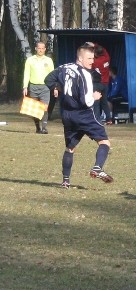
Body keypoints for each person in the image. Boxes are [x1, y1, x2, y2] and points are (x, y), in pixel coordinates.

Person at [44, 43, 114, 188]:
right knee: (104, 143)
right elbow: (86, 101)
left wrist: (55, 87)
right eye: (89, 58)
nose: (92, 61)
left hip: (68, 115)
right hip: (84, 115)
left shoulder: (64, 67)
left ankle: (65, 181)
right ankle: (97, 168)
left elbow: (48, 79)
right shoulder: (85, 75)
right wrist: (94, 97)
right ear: (80, 58)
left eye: (93, 58)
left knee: (70, 148)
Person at [22, 41, 54, 134]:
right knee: (35, 109)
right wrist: (25, 86)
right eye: (39, 48)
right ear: (36, 48)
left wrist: (54, 87)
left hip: (45, 87)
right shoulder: (30, 60)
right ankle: (37, 127)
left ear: (45, 49)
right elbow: (26, 74)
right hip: (33, 86)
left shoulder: (48, 60)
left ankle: (44, 128)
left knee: (45, 107)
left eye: (42, 48)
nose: (40, 50)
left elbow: (53, 75)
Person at [91, 44, 112, 123]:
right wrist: (95, 45)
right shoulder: (107, 58)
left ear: (96, 53)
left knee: (96, 102)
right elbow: (103, 50)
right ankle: (109, 119)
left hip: (97, 83)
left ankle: (97, 119)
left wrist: (92, 45)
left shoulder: (95, 62)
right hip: (106, 83)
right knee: (104, 102)